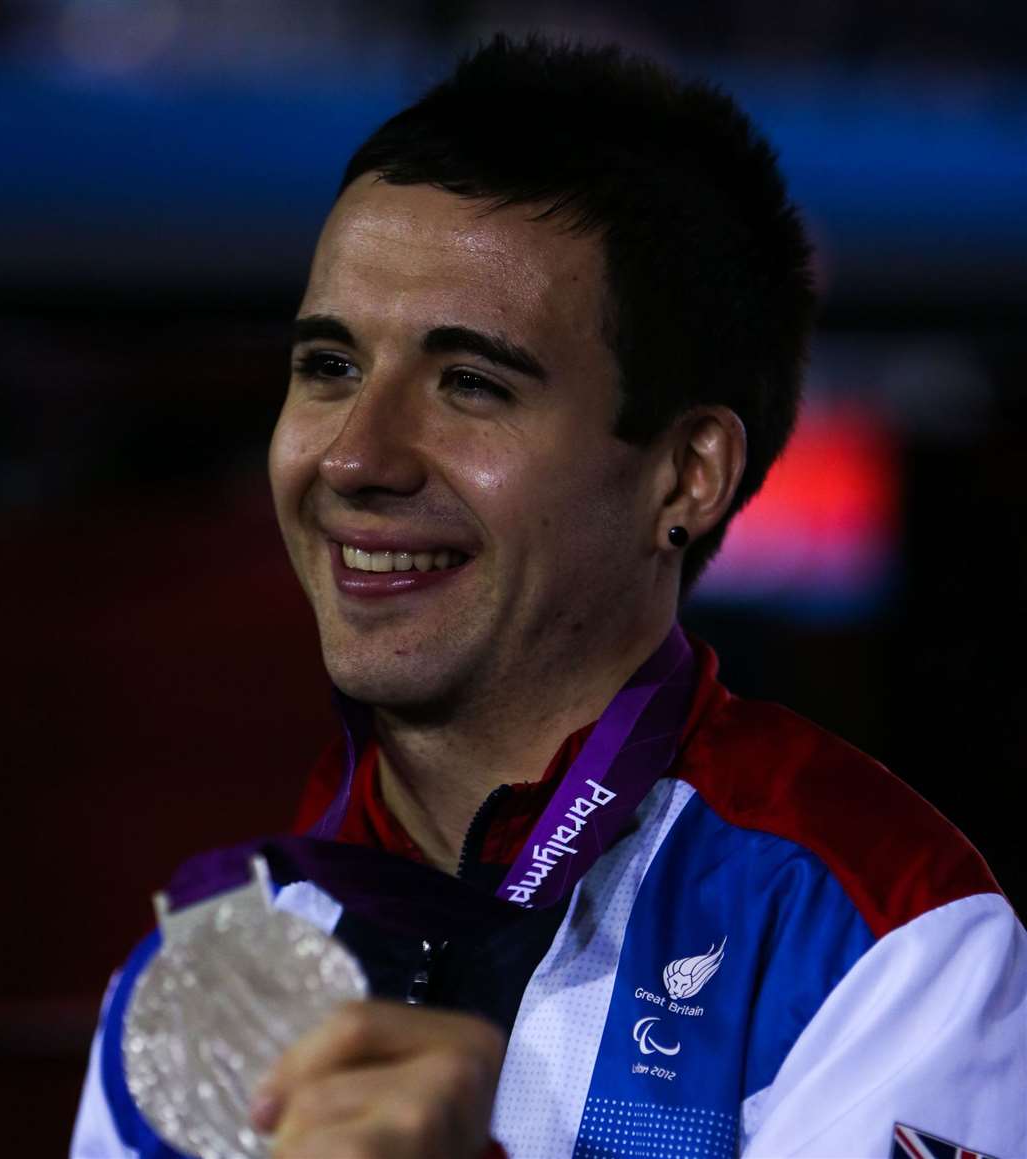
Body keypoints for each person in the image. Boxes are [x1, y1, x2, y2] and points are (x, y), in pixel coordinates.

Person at [72, 35, 1026, 1159]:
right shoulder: (203, 970)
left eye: (471, 383)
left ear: (686, 476)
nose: (353, 457)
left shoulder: (884, 932)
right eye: (329, 367)